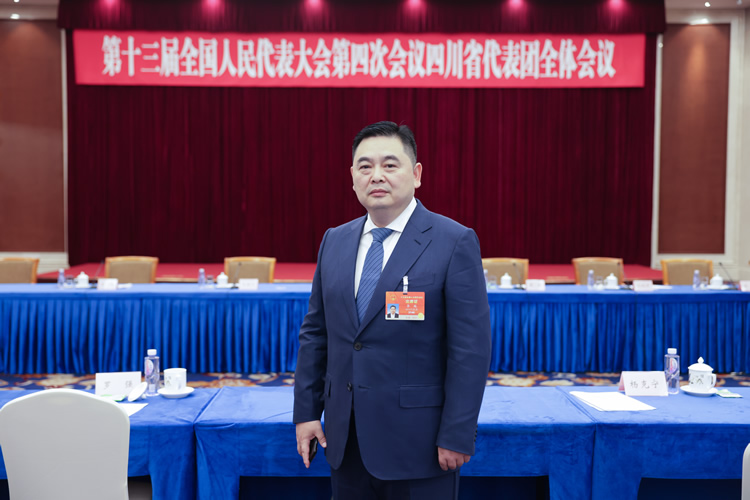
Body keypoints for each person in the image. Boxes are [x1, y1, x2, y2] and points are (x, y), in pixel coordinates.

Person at [293, 121, 491, 499]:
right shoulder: (334, 240)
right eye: (365, 166)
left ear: (416, 174)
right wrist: (306, 412)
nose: (376, 176)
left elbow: (470, 350)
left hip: (421, 445)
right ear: (353, 177)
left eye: (389, 164)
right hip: (346, 441)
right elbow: (315, 334)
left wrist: (457, 433)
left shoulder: (453, 241)